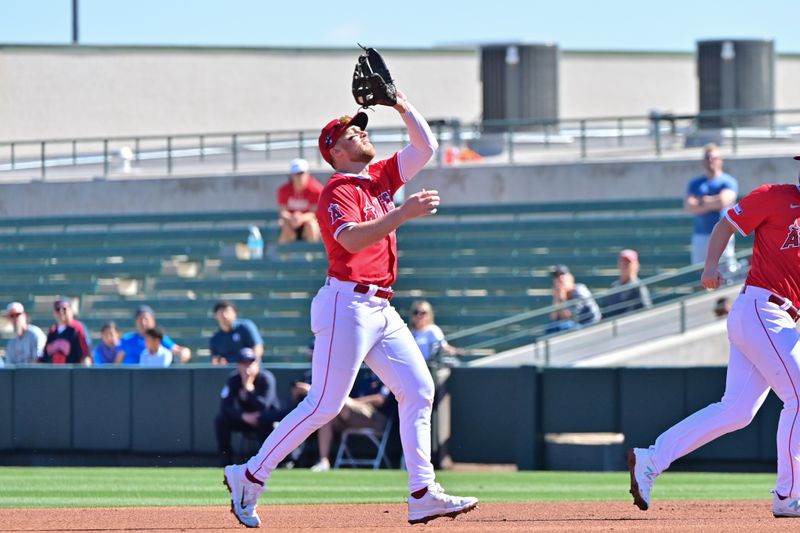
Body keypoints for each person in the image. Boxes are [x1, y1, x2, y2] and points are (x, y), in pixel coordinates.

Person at [222, 88, 478, 528]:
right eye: (350, 131)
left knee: (418, 390)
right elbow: (352, 239)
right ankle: (249, 474)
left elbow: (426, 147)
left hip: (381, 307)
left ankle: (422, 493)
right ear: (335, 151)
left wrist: (398, 100)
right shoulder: (336, 191)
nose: (361, 131)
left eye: (360, 126)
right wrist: (402, 214)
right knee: (324, 404)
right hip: (347, 303)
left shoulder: (378, 178)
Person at [628, 165, 800, 518]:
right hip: (761, 309)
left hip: (778, 317)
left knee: (736, 411)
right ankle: (789, 495)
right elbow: (725, 224)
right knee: (798, 398)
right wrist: (710, 265)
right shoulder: (776, 196)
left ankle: (651, 459)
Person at [293, 369, 395, 472]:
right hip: (353, 416)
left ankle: (315, 391)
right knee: (327, 418)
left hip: (376, 419)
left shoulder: (388, 374)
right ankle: (324, 461)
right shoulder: (367, 376)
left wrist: (353, 403)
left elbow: (380, 399)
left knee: (343, 402)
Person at [215, 347, 285, 465]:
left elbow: (264, 406)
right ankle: (226, 460)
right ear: (238, 365)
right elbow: (225, 406)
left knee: (263, 419)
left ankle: (267, 462)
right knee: (220, 420)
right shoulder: (234, 379)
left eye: (251, 363)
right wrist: (243, 416)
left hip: (266, 420)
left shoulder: (266, 378)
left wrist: (249, 389)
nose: (248, 367)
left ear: (257, 363)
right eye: (244, 363)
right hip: (246, 420)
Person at [684, 143, 738, 270]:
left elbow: (723, 201)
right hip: (701, 233)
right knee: (701, 271)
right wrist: (712, 202)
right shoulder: (695, 183)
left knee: (725, 270)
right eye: (707, 158)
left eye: (714, 158)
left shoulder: (728, 181)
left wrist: (701, 201)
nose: (710, 161)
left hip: (722, 232)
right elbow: (689, 206)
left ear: (721, 160)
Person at [115, 305, 191, 365]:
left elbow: (178, 350)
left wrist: (185, 352)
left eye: (146, 319)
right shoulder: (127, 339)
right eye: (140, 319)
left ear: (153, 321)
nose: (143, 323)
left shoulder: (159, 338)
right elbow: (118, 361)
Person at [276, 158, 324, 244]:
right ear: (291, 175)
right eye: (296, 174)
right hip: (291, 223)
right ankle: (283, 256)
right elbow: (283, 211)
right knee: (285, 226)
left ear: (307, 173)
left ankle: (312, 255)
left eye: (301, 173)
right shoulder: (284, 190)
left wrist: (301, 218)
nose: (299, 177)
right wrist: (292, 218)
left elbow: (316, 213)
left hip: (307, 224)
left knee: (311, 225)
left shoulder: (316, 190)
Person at [546, 265, 602, 333]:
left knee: (566, 325)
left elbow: (570, 319)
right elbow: (554, 319)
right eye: (556, 276)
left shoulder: (580, 290)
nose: (560, 278)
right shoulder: (561, 293)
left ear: (571, 277)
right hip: (577, 328)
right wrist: (556, 299)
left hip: (591, 328)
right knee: (551, 328)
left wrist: (561, 299)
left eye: (562, 274)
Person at [601, 249, 653, 318]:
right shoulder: (614, 286)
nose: (624, 266)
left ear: (636, 266)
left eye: (628, 263)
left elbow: (646, 313)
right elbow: (605, 311)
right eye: (622, 262)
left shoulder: (638, 288)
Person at [209, 301, 264, 365]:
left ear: (235, 314)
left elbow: (258, 347)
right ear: (215, 316)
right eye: (221, 312)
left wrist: (253, 364)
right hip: (228, 373)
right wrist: (219, 362)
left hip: (251, 370)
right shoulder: (215, 339)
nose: (225, 315)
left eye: (227, 311)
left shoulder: (246, 327)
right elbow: (215, 359)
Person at [42, 297, 91, 365]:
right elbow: (45, 356)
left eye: (64, 309)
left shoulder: (77, 328)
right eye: (58, 309)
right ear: (54, 313)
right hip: (54, 372)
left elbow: (85, 356)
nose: (61, 312)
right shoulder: (52, 331)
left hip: (72, 373)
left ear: (71, 310)